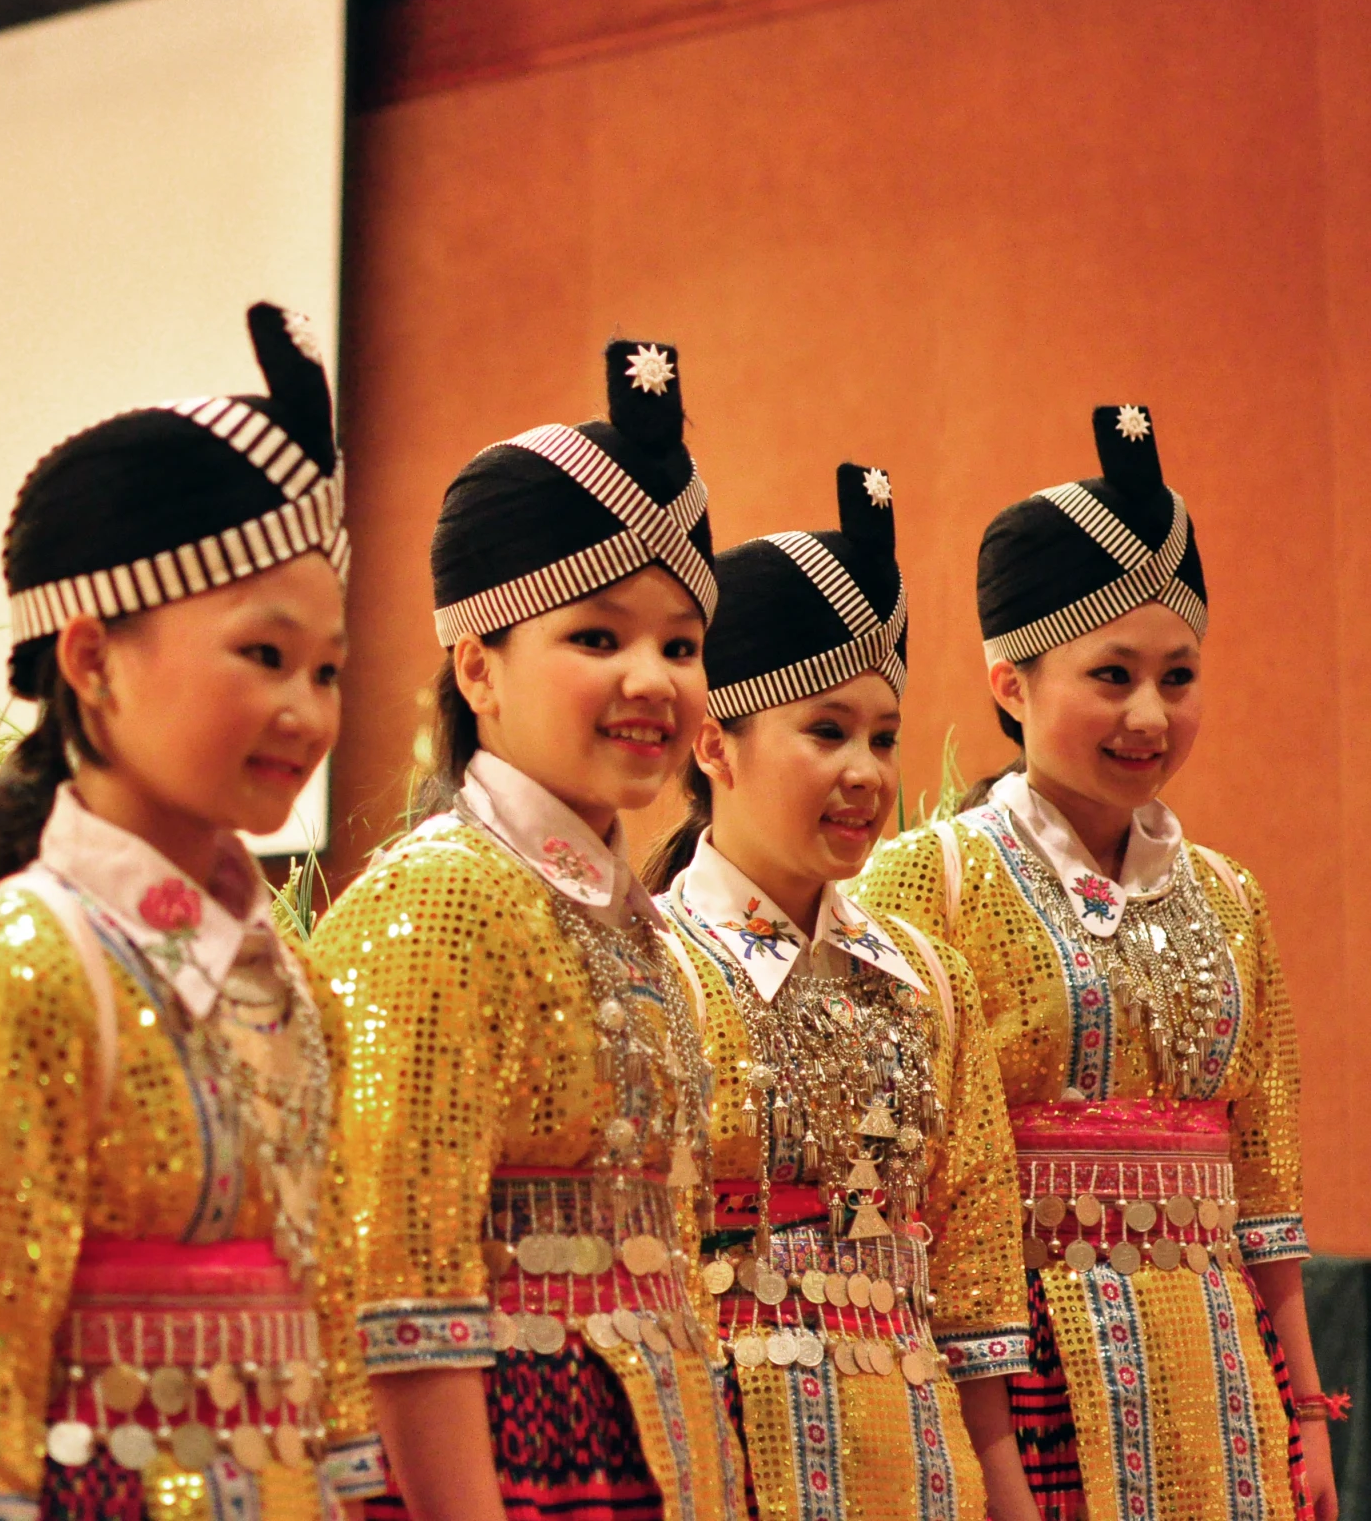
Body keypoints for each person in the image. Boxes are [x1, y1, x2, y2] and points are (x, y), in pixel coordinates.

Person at [0, 304, 360, 1521]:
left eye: (328, 669)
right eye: (264, 654)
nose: (305, 710)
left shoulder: (289, 983)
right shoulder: (18, 975)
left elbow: (335, 1334)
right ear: (91, 661)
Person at [852, 407, 1336, 1521]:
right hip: (1024, 1372)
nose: (1149, 714)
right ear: (1009, 681)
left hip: (1226, 1366)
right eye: (1110, 673)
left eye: (1179, 674)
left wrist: (1305, 1410)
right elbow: (904, 1190)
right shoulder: (928, 882)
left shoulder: (1229, 895)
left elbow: (1263, 1173)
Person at [311, 339, 747, 1521]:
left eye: (681, 643)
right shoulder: (440, 902)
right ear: (478, 667)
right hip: (510, 1471)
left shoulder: (631, 918)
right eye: (597, 638)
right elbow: (395, 1289)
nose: (653, 679)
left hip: (654, 1456)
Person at [644, 463, 1034, 1521]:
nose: (867, 769)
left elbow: (978, 1280)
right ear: (713, 740)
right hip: (723, 1464)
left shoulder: (931, 982)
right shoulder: (650, 967)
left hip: (921, 1471)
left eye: (883, 735)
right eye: (827, 731)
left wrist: (1005, 1495)